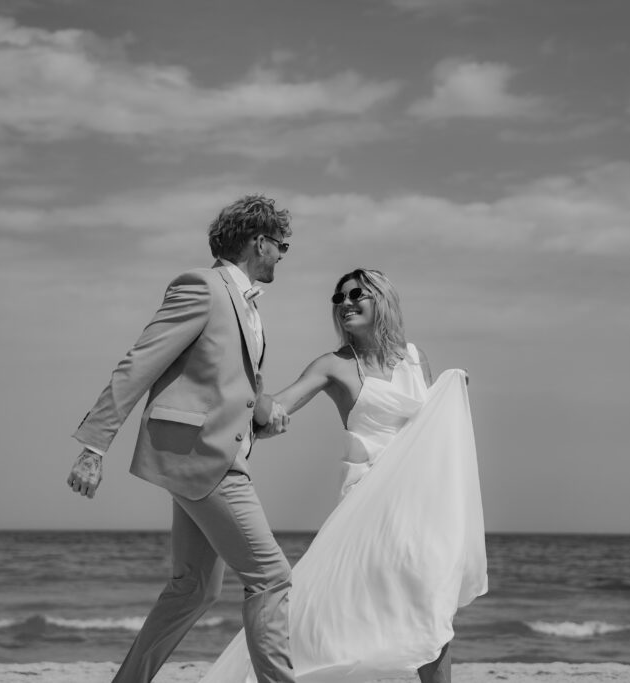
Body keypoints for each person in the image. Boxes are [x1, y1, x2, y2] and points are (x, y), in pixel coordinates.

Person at [200, 268, 488, 683]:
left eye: (357, 294)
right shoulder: (333, 366)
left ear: (381, 299)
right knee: (358, 607)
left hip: (419, 501)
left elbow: (431, 432)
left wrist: (454, 392)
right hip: (368, 499)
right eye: (339, 298)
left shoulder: (414, 357)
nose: (346, 303)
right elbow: (274, 410)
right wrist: (250, 390)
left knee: (430, 600)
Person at [66, 194, 296, 683]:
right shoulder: (203, 287)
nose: (283, 255)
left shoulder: (248, 306)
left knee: (193, 589)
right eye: (281, 245)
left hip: (213, 454)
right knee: (271, 577)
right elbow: (140, 362)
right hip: (205, 458)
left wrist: (263, 414)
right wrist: (94, 445)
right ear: (259, 243)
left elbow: (228, 386)